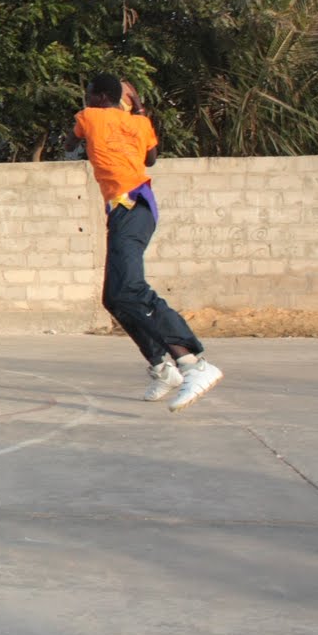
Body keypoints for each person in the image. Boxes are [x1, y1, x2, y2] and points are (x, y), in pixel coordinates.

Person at [69, 74, 223, 411]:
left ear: (96, 97)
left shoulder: (90, 116)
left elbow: (71, 142)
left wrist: (99, 111)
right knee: (114, 297)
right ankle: (161, 367)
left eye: (88, 94)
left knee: (132, 290)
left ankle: (193, 364)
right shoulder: (139, 122)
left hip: (129, 208)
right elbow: (151, 158)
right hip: (139, 208)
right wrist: (137, 107)